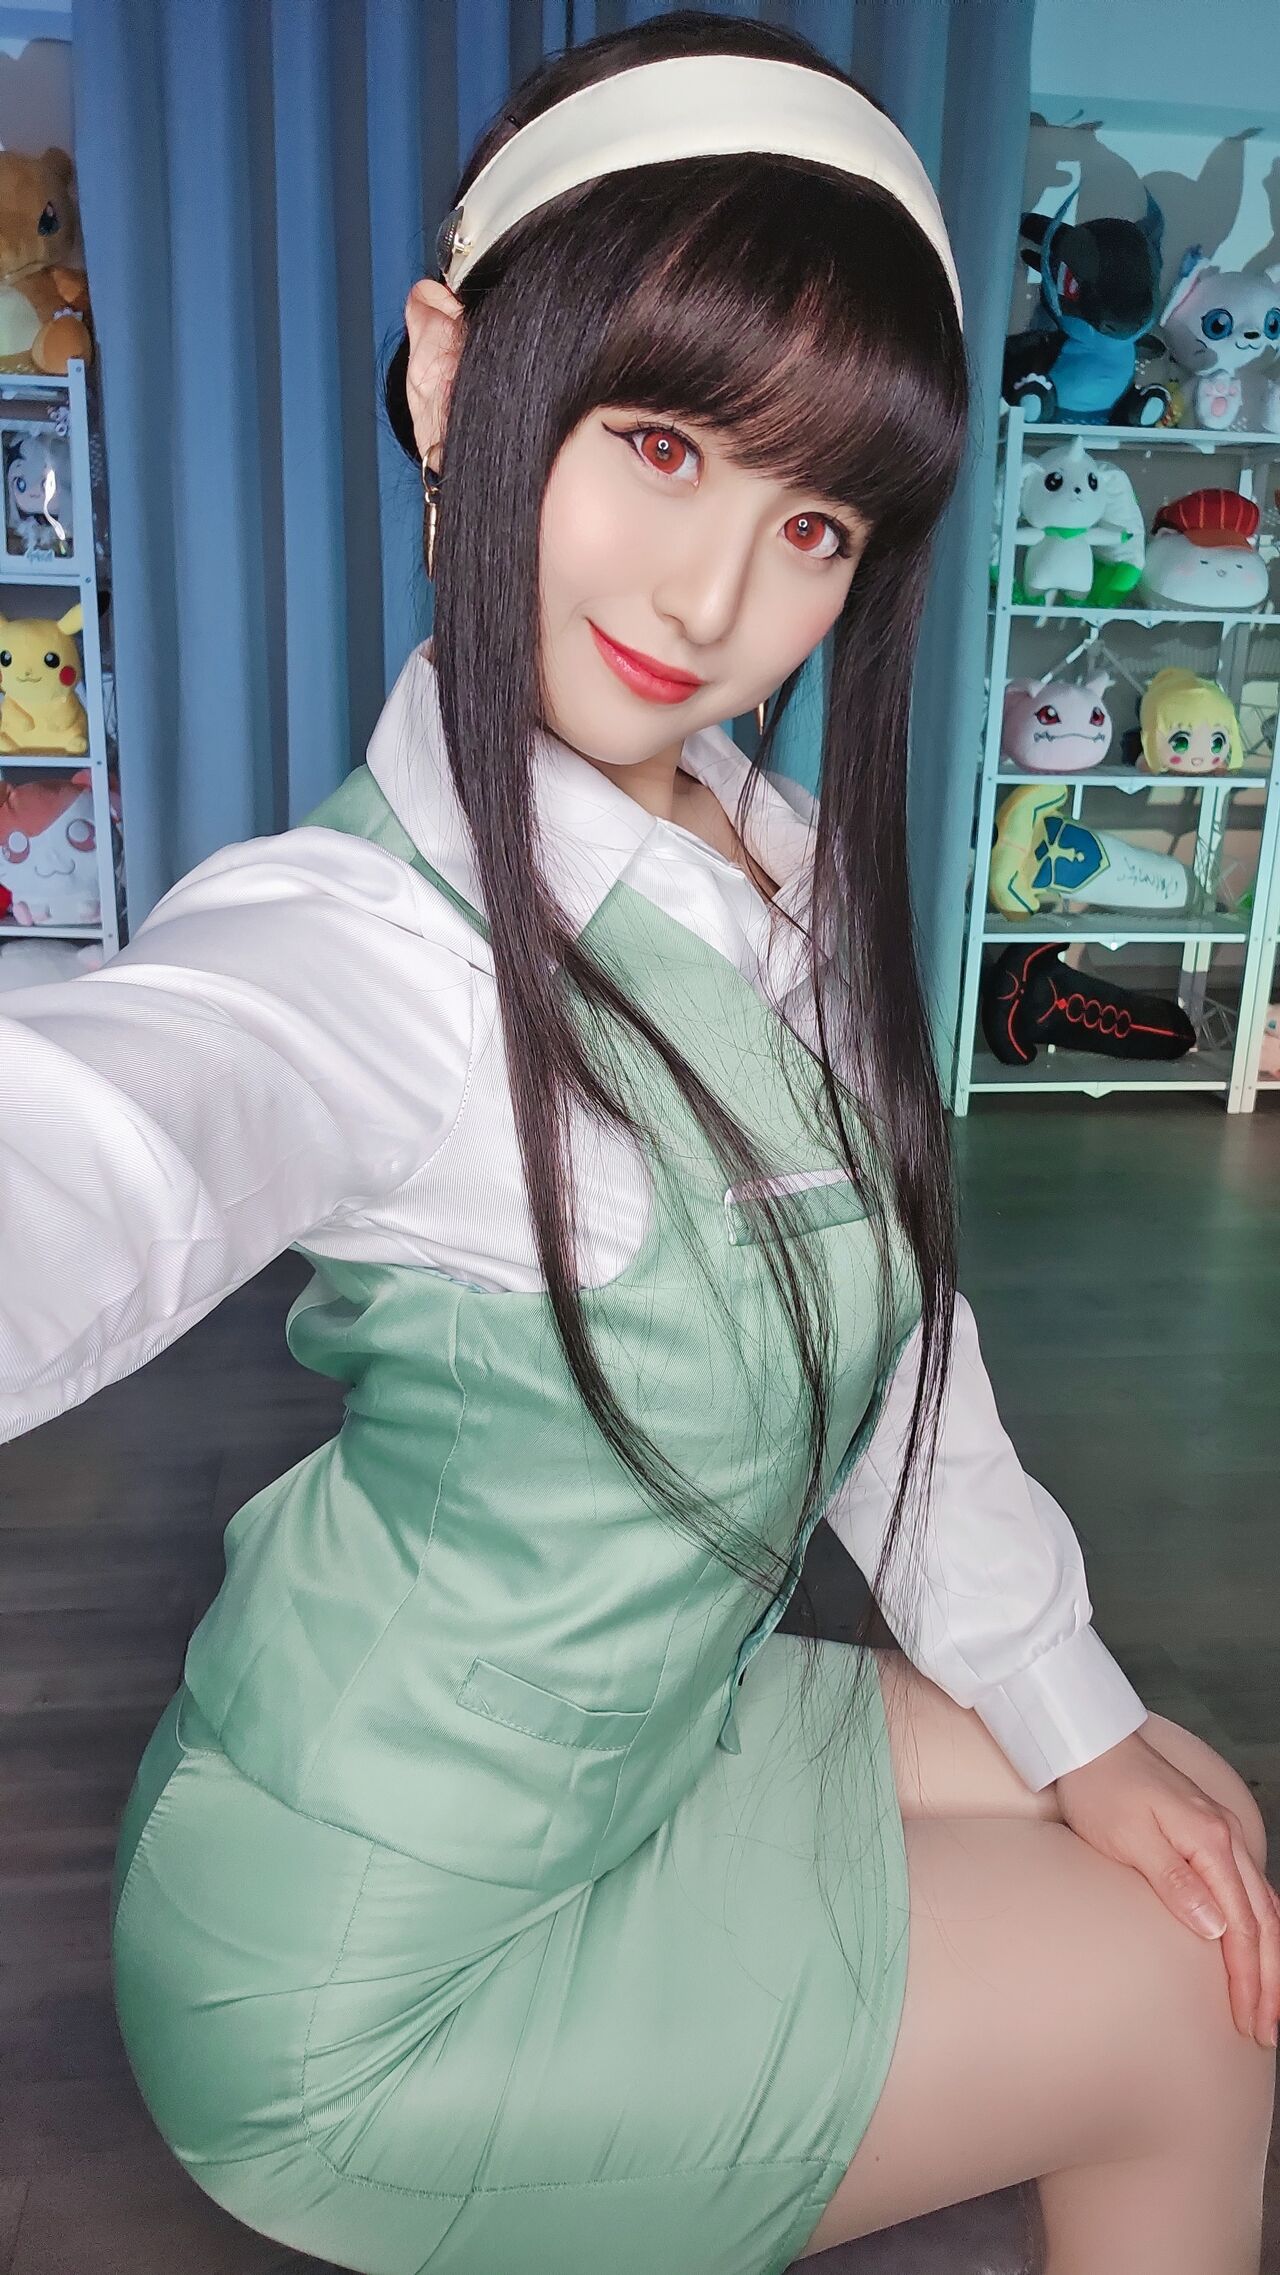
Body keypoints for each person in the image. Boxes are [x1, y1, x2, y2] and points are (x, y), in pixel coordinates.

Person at [1, 13, 1275, 2273]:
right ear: (449, 378)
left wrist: (1072, 1707)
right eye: (660, 445)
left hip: (630, 1735)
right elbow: (97, 1136)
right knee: (1191, 2006)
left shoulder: (769, 857)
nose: (709, 604)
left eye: (811, 525)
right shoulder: (364, 953)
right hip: (374, 1964)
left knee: (1188, 1821)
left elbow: (897, 1351)